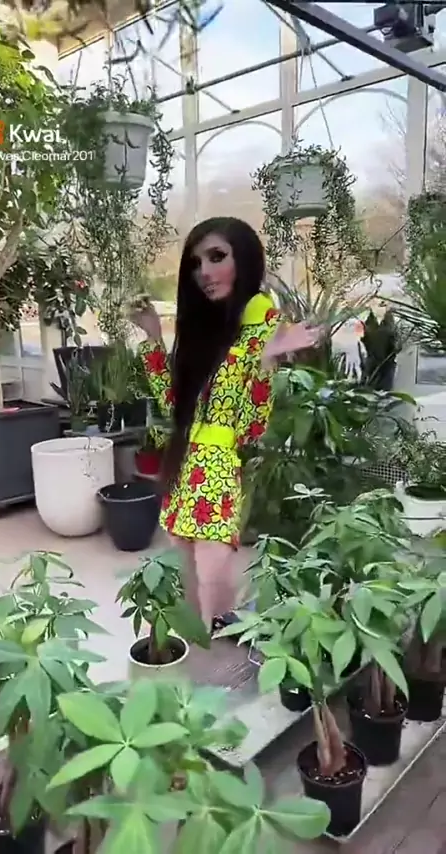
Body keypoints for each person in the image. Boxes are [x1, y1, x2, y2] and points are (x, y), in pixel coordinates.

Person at [132, 216, 323, 634]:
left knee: (211, 572)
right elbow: (175, 404)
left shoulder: (264, 323)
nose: (204, 272)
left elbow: (253, 425)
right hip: (185, 462)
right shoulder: (208, 328)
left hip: (218, 466)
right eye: (196, 263)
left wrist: (268, 358)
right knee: (185, 568)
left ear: (245, 259)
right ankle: (197, 648)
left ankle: (217, 648)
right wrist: (153, 339)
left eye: (217, 257)